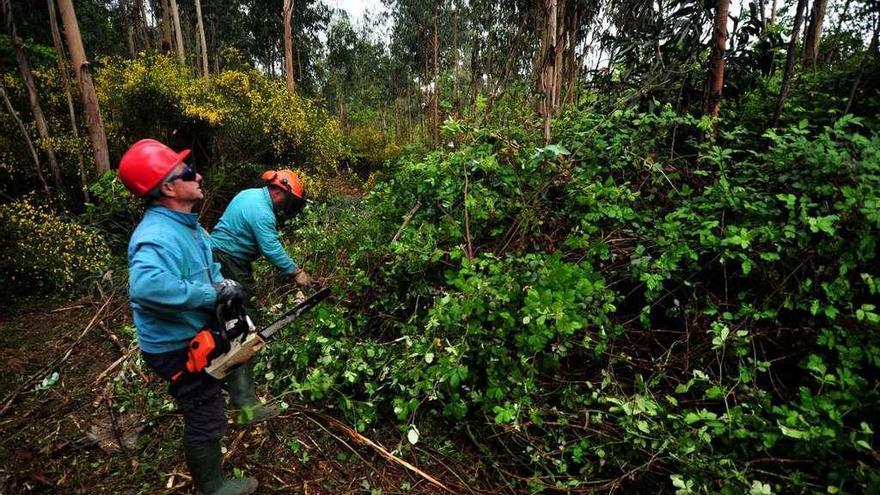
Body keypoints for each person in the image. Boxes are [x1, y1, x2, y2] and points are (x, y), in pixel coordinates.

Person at [119, 139, 258, 495]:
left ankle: (243, 407)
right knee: (205, 412)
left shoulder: (188, 225)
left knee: (233, 356)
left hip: (191, 330)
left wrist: (221, 282)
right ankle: (213, 487)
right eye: (186, 172)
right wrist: (209, 294)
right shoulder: (157, 234)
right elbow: (147, 287)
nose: (196, 176)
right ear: (167, 187)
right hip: (174, 346)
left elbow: (206, 265)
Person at [210, 169, 314, 424]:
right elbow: (270, 248)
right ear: (278, 191)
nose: (286, 207)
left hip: (218, 259)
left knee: (223, 323)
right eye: (288, 201)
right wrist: (297, 272)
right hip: (229, 262)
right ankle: (246, 404)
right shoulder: (262, 212)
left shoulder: (249, 195)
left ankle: (217, 376)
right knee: (243, 327)